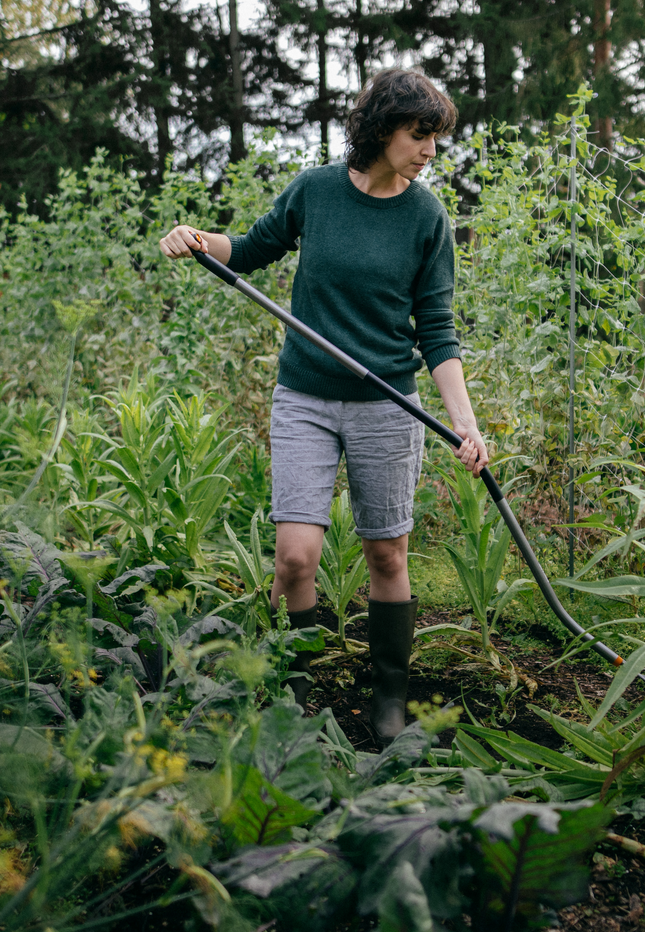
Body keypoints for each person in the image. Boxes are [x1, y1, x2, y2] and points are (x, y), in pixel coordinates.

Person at [159, 68, 489, 739]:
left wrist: (465, 422)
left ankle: (390, 697)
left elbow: (436, 328)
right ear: (381, 127)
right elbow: (247, 251)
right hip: (306, 395)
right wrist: (197, 237)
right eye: (419, 133)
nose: (430, 150)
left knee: (387, 556)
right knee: (295, 559)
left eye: (436, 138)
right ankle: (302, 686)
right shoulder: (314, 192)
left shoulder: (427, 216)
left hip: (387, 404)